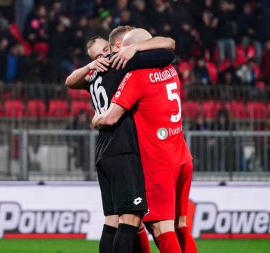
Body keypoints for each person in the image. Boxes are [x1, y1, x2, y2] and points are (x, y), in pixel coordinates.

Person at [65, 26, 175, 253]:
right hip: (122, 148)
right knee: (130, 219)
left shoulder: (93, 75)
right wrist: (135, 47)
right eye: (99, 55)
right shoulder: (118, 64)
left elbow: (69, 82)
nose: (105, 56)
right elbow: (168, 50)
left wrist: (89, 67)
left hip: (103, 151)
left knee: (112, 220)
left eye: (106, 49)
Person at [92, 28, 197, 253]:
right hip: (182, 156)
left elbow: (111, 118)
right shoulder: (170, 69)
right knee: (180, 225)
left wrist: (96, 118)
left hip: (159, 162)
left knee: (160, 228)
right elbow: (168, 43)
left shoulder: (136, 77)